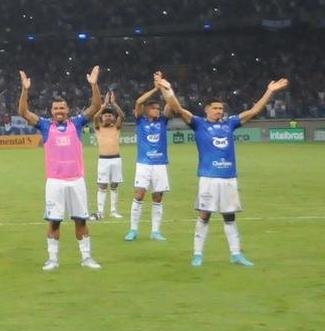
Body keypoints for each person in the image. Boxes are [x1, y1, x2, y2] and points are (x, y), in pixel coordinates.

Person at [159, 76, 288, 267]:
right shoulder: (198, 123)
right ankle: (197, 254)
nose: (219, 111)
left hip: (229, 178)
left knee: (230, 216)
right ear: (207, 110)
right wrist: (168, 89)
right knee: (205, 215)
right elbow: (177, 108)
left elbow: (254, 111)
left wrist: (270, 91)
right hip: (209, 177)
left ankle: (235, 254)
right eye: (215, 108)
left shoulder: (230, 123)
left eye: (221, 108)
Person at [18, 67, 103, 272]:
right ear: (51, 111)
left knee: (81, 220)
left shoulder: (77, 123)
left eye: (62, 108)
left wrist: (93, 85)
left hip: (76, 180)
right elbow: (23, 112)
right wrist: (25, 90)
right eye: (56, 109)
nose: (59, 112)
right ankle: (53, 259)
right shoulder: (46, 126)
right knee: (54, 222)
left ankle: (86, 258)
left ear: (68, 110)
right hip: (55, 182)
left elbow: (96, 106)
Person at [127, 72, 173, 242]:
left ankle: (155, 231)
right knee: (139, 195)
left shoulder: (163, 121)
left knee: (158, 197)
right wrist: (154, 88)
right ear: (147, 110)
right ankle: (133, 230)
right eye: (154, 108)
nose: (158, 111)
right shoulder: (141, 121)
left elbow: (171, 104)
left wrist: (163, 87)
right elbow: (138, 102)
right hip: (144, 164)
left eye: (158, 109)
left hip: (160, 164)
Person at [92, 91, 125, 220]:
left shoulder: (116, 127)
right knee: (102, 185)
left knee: (115, 185)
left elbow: (121, 115)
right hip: (103, 160)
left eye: (110, 115)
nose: (107, 117)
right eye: (105, 116)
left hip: (116, 159)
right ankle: (100, 211)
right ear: (102, 117)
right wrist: (104, 105)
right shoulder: (98, 127)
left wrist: (114, 104)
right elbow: (95, 117)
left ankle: (113, 210)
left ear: (113, 117)